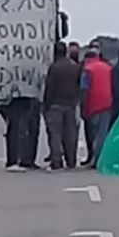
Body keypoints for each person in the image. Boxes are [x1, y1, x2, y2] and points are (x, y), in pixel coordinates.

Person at [43, 42, 81, 171]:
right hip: (70, 104)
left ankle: (56, 161)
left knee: (55, 135)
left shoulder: (54, 68)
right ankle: (71, 161)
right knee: (70, 134)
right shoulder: (74, 66)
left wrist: (45, 106)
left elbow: (49, 88)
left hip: (55, 104)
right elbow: (79, 86)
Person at [81, 48, 113, 168]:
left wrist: (84, 108)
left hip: (93, 104)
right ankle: (102, 158)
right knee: (103, 133)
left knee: (94, 134)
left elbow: (84, 89)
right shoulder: (107, 68)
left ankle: (96, 160)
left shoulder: (88, 70)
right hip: (107, 103)